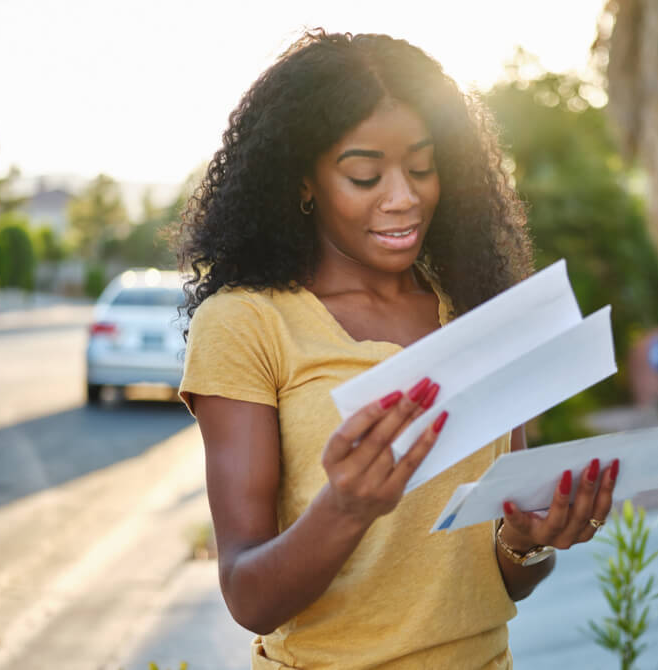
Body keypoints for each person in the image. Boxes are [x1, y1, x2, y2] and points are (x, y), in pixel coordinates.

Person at [175, 30, 620, 669]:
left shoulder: (478, 309)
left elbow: (498, 580)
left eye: (421, 166)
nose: (404, 197)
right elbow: (249, 594)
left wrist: (526, 540)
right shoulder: (247, 323)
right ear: (303, 182)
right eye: (364, 175)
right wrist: (346, 509)